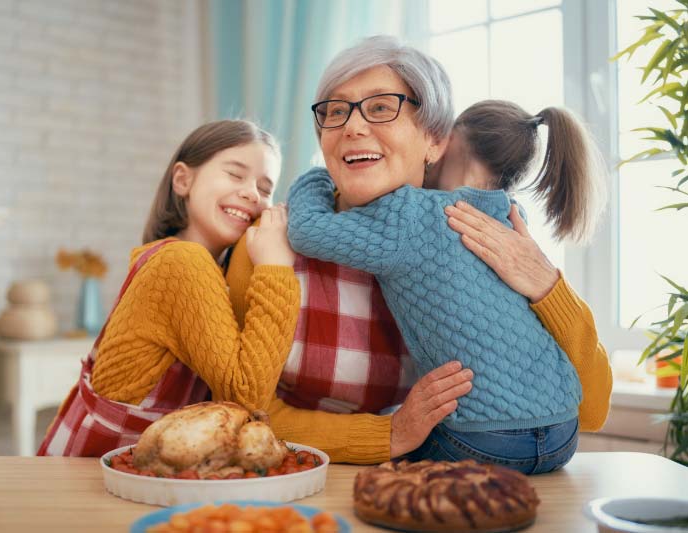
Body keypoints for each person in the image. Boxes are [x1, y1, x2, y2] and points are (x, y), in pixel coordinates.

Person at [226, 36, 612, 473]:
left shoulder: (483, 237)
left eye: (380, 107)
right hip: (312, 480)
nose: (353, 127)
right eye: (336, 111)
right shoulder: (267, 243)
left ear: (435, 140)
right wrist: (388, 435)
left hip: (448, 483)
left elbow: (593, 408)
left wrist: (547, 286)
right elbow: (243, 410)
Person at [39, 120, 300, 457]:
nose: (252, 193)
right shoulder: (181, 263)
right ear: (183, 179)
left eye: (265, 188)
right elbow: (247, 398)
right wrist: (276, 268)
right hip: (91, 476)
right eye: (235, 174)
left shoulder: (184, 262)